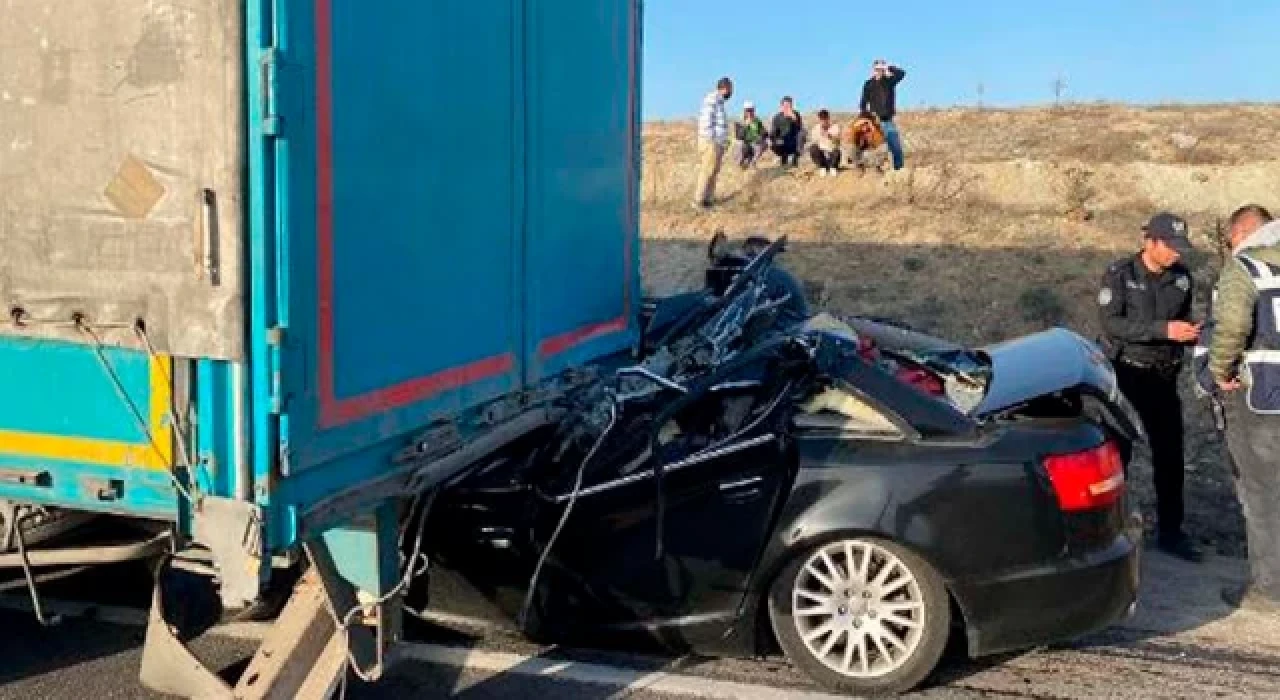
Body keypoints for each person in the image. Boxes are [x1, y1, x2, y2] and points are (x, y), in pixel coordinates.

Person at [1098, 212, 1204, 562]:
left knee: (1170, 456)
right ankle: (1111, 530)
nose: (1176, 253)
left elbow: (1183, 319)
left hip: (1164, 377)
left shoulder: (1182, 278)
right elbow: (1112, 324)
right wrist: (1163, 330)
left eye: (1179, 247)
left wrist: (1190, 333)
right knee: (1119, 455)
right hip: (1128, 375)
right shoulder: (1121, 274)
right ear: (1150, 242)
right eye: (1170, 246)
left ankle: (1171, 532)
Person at [1203, 204, 1280, 613]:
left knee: (1263, 495)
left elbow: (1232, 327)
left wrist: (1220, 371)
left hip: (1261, 402)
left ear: (1241, 234)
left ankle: (1269, 591)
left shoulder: (1245, 269)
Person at [859, 59, 907, 170]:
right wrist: (867, 119)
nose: (879, 71)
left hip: (888, 122)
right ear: (873, 70)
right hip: (874, 123)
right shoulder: (868, 84)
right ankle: (871, 170)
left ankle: (899, 172)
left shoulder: (889, 81)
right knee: (874, 149)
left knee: (896, 148)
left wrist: (888, 67)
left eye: (881, 69)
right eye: (877, 69)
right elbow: (863, 104)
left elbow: (902, 74)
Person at [694, 77, 733, 209]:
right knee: (707, 170)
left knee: (714, 171)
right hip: (711, 142)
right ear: (725, 88)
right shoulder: (712, 99)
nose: (731, 92)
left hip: (717, 143)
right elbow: (707, 121)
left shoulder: (719, 102)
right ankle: (698, 201)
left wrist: (723, 141)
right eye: (730, 89)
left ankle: (708, 200)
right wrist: (712, 140)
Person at [732, 101, 769, 168]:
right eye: (748, 110)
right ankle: (740, 163)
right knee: (739, 144)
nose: (749, 113)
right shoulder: (739, 121)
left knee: (766, 143)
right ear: (744, 111)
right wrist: (746, 125)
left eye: (751, 110)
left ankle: (753, 163)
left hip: (754, 143)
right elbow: (739, 136)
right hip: (744, 144)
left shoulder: (757, 120)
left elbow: (764, 133)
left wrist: (761, 137)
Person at [770, 96, 804, 166]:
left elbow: (800, 128)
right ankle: (783, 157)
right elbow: (773, 132)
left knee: (802, 134)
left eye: (789, 106)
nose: (788, 108)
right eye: (786, 106)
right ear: (781, 106)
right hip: (783, 141)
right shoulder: (777, 117)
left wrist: (794, 118)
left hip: (794, 140)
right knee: (774, 143)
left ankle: (795, 157)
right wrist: (774, 139)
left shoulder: (796, 114)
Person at [807, 109, 842, 177]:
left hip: (831, 153)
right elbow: (814, 141)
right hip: (822, 154)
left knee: (837, 151)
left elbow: (838, 141)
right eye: (821, 120)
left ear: (828, 118)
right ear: (819, 120)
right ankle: (822, 167)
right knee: (812, 148)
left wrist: (830, 136)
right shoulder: (816, 128)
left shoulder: (835, 127)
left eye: (825, 119)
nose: (823, 122)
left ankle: (833, 167)